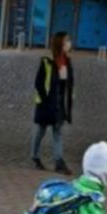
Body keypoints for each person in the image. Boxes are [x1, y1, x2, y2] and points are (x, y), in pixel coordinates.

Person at [31, 32, 75, 175]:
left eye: (69, 40)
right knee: (41, 130)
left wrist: (68, 101)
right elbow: (38, 83)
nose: (69, 43)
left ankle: (59, 162)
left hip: (60, 103)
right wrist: (45, 100)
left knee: (58, 132)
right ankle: (35, 156)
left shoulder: (67, 61)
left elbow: (69, 84)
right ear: (59, 43)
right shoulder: (47, 61)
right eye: (66, 40)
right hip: (47, 103)